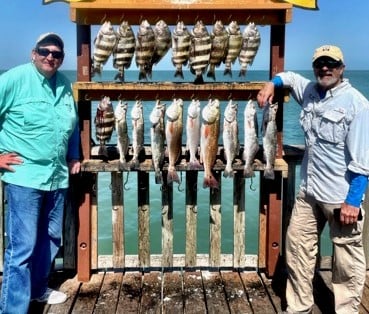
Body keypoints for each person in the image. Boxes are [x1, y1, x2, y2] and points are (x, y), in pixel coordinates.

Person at [257, 45, 369, 313]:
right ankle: (299, 307)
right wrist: (272, 84)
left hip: (340, 198)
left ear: (342, 68)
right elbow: (290, 78)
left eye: (331, 63)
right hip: (309, 192)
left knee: (346, 261)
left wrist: (353, 200)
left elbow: (363, 159)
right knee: (297, 250)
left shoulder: (357, 104)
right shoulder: (309, 92)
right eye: (320, 63)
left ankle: (346, 311)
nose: (325, 68)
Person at [0, 33, 81, 313]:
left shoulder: (64, 84)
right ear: (33, 53)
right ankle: (13, 308)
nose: (50, 57)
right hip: (24, 178)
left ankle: (36, 290)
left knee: (50, 238)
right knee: (22, 248)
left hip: (57, 177)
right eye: (45, 51)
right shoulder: (13, 79)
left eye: (57, 54)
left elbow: (72, 123)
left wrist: (74, 155)